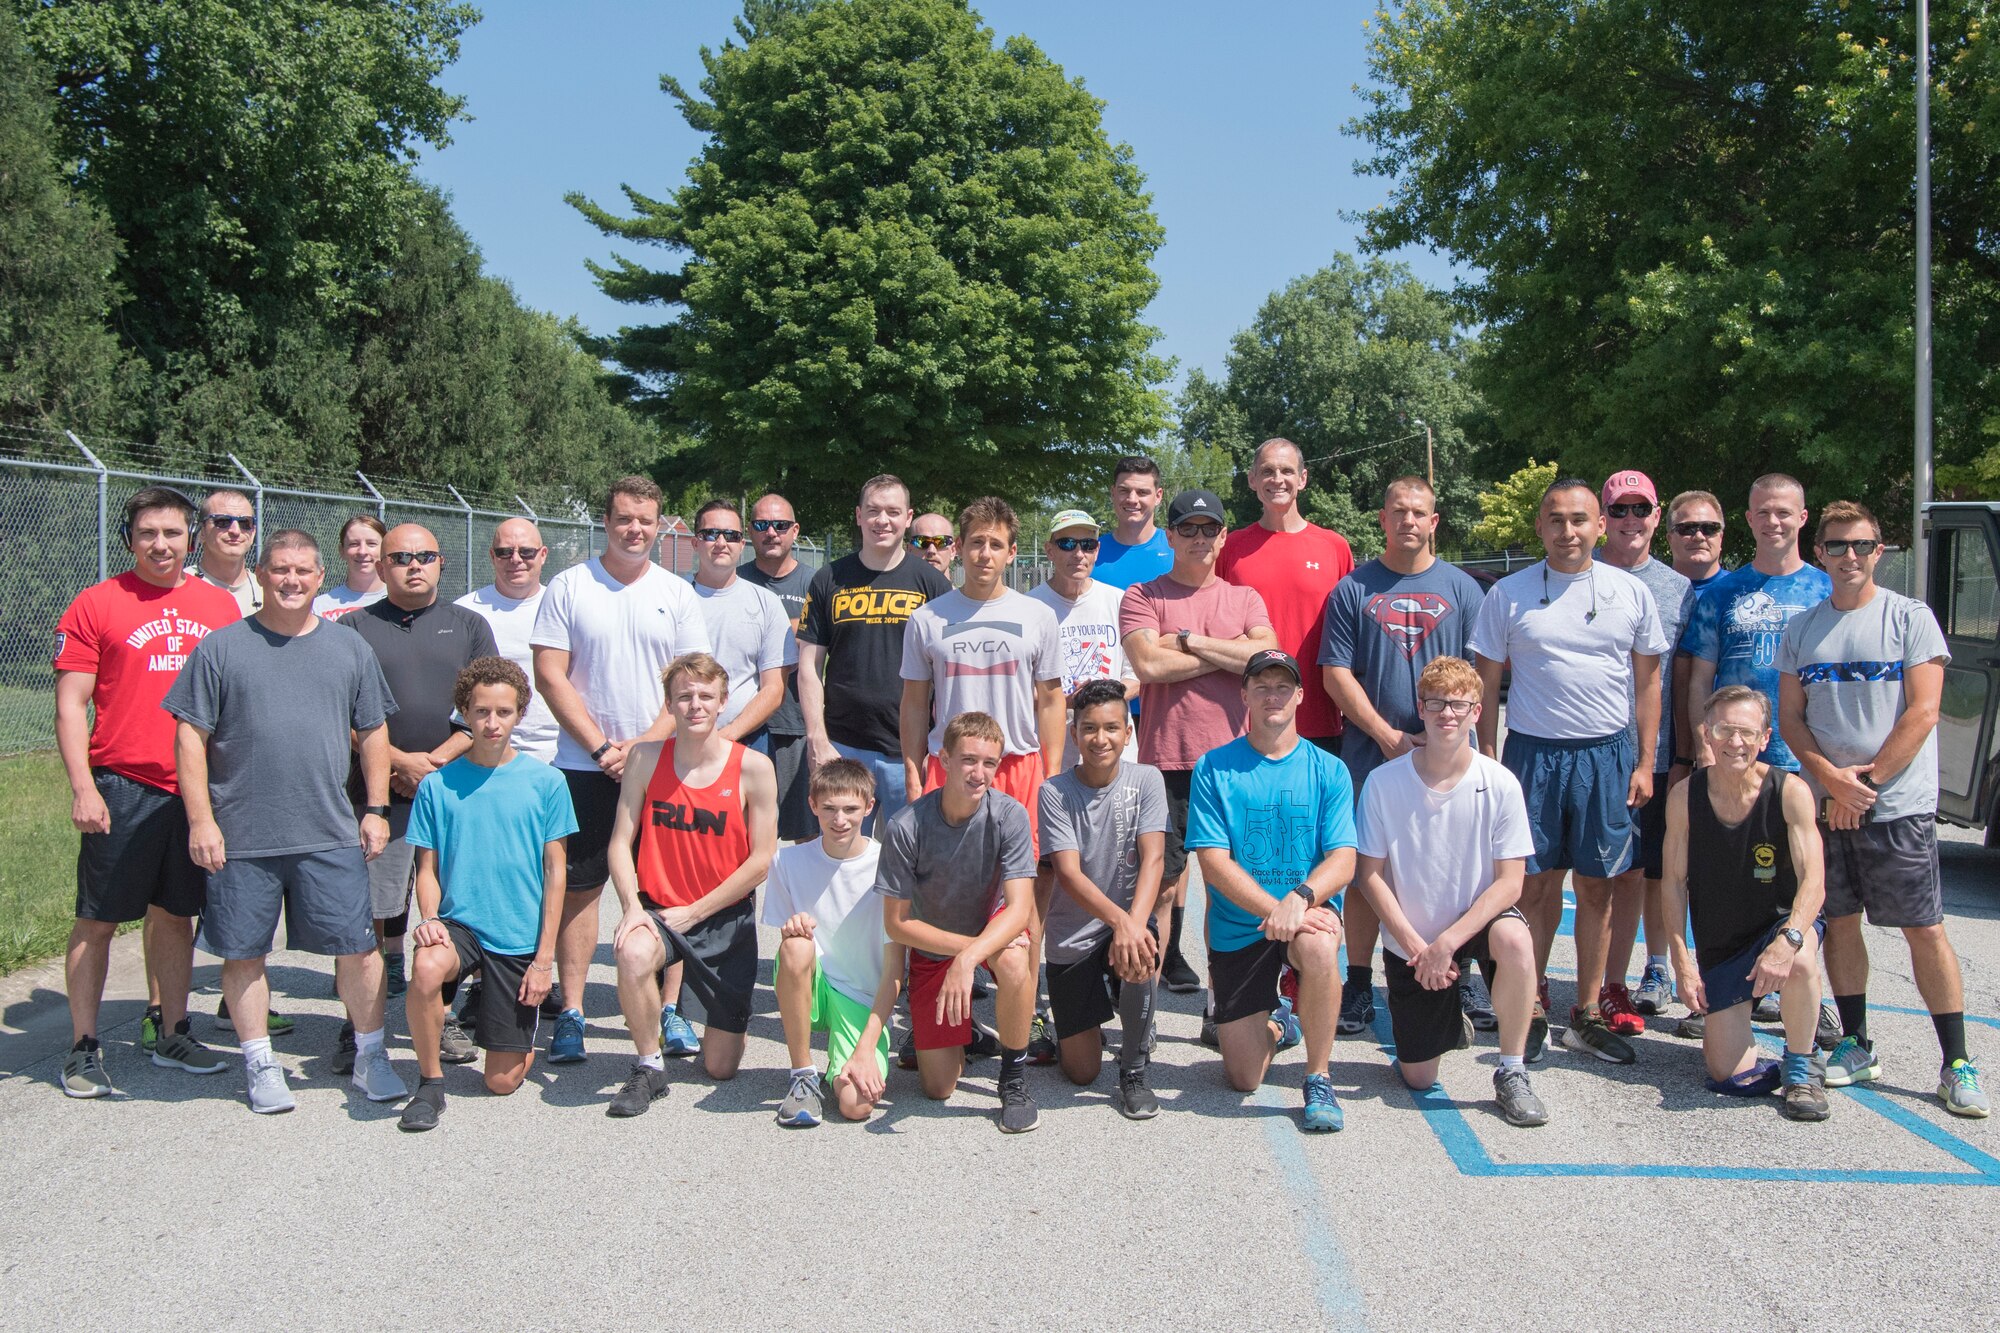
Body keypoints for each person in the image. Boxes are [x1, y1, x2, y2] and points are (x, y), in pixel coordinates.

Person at [163, 529, 407, 1114]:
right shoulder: (221, 649)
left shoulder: (349, 649)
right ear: (262, 575)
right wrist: (201, 821)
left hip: (329, 831)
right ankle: (259, 1062)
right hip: (243, 834)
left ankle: (371, 1055)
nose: (291, 580)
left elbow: (374, 731)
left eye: (302, 571)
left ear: (320, 578)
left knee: (359, 949)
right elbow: (188, 738)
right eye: (279, 570)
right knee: (244, 952)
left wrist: (375, 809)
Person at [1777, 501, 1987, 1117]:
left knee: (1924, 929)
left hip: (1897, 808)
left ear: (1880, 551)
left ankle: (1956, 1063)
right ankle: (1856, 1042)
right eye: (1837, 546)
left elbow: (1923, 711)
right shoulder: (1803, 629)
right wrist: (1828, 782)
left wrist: (1862, 786)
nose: (1850, 557)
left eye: (1862, 546)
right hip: (1828, 802)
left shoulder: (1910, 619)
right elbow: (1791, 717)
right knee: (1839, 924)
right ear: (1819, 552)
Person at [1469, 478, 1667, 1066]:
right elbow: (1485, 681)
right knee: (1533, 885)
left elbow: (1649, 681)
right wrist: (1487, 760)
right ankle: (1528, 1005)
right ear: (1539, 526)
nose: (1568, 531)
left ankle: (1585, 1011)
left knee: (1599, 886)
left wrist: (1645, 761)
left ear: (1600, 525)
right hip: (1532, 754)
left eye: (1579, 519)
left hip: (1607, 755)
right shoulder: (1508, 593)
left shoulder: (1630, 592)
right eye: (1555, 519)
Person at [54, 487, 240, 1097]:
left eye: (172, 532)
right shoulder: (97, 604)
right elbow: (71, 704)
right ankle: (83, 1046)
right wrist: (84, 787)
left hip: (194, 792)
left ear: (193, 538)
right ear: (130, 539)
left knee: (175, 915)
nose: (161, 544)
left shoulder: (218, 608)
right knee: (99, 919)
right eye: (147, 533)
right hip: (123, 784)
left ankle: (174, 1030)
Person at [531, 476, 711, 1065]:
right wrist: (603, 748)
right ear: (606, 522)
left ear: (660, 525)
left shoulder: (677, 593)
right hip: (582, 768)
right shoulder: (569, 585)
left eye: (647, 519)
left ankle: (670, 1011)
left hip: (662, 763)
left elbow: (691, 682)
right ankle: (575, 1012)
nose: (636, 529)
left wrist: (641, 747)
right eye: (625, 518)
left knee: (665, 891)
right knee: (580, 888)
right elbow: (550, 674)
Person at [1320, 476, 1487, 1039]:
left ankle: (1460, 975)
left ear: (1435, 521)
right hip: (1374, 753)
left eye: (1419, 512)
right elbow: (1335, 672)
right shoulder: (1353, 589)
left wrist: (1462, 735)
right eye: (1399, 511)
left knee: (1458, 862)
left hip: (1451, 751)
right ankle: (1361, 982)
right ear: (1382, 519)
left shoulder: (1464, 590)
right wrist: (1388, 734)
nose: (1409, 520)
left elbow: (1479, 674)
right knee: (1370, 866)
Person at [1353, 656, 1548, 1127]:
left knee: (1516, 940)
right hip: (1414, 939)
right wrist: (1420, 946)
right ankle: (1448, 1023)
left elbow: (1510, 883)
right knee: (1418, 1077)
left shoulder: (1499, 783)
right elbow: (1369, 876)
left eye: (1459, 705)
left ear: (1477, 713)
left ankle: (1512, 1069)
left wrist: (1448, 944)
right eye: (1436, 703)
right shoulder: (1383, 782)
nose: (1447, 714)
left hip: (1474, 925)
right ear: (1420, 708)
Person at [336, 523, 497, 1070]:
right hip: (379, 795)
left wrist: (434, 762)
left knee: (450, 909)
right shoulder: (353, 628)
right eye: (400, 557)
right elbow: (344, 711)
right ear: (380, 566)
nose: (413, 565)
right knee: (376, 912)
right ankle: (363, 1024)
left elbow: (489, 704)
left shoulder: (469, 626)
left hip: (454, 788)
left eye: (424, 556)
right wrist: (398, 763)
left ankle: (444, 1017)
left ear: (440, 562)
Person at [1684, 473, 1837, 1039]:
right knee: (1725, 886)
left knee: (1808, 886)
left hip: (1800, 764)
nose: (1773, 521)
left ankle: (1808, 999)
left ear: (1802, 518)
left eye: (1784, 512)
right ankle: (1721, 990)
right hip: (1731, 761)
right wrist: (1703, 753)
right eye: (1761, 512)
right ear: (1747, 520)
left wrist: (1825, 768)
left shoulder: (1827, 590)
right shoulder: (1722, 592)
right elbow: (1700, 679)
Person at [397, 658, 577, 1131]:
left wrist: (543, 962)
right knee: (426, 963)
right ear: (464, 713)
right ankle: (430, 1083)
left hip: (518, 936)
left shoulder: (548, 783)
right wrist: (430, 917)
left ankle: (514, 1037)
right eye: (480, 712)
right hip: (461, 926)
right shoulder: (436, 785)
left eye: (503, 711)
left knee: (500, 1081)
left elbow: (556, 874)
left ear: (520, 713)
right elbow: (427, 869)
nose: (492, 723)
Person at [602, 653, 778, 1117]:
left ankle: (706, 1034)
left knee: (720, 1067)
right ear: (670, 704)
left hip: (725, 918)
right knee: (633, 951)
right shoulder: (643, 758)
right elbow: (620, 843)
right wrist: (632, 908)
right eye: (684, 696)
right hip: (660, 910)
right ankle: (649, 1063)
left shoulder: (753, 767)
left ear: (723, 702)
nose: (695, 705)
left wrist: (697, 911)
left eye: (705, 696)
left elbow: (761, 861)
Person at [1185, 651, 1353, 1132]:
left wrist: (1299, 901)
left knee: (1320, 946)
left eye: (1283, 687)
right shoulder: (1215, 768)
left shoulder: (1328, 769)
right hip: (1241, 925)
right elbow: (1214, 865)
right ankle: (1282, 1022)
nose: (1272, 696)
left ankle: (1319, 1076)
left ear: (1301, 696)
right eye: (1261, 686)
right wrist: (1277, 910)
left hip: (1306, 914)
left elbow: (1343, 859)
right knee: (1243, 1078)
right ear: (1244, 696)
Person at [1119, 488, 1276, 999]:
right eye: (1188, 528)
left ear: (1224, 536)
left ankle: (1221, 1003)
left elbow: (1268, 654)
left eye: (1210, 529)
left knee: (1233, 890)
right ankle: (1145, 1007)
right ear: (1170, 536)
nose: (1200, 538)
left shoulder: (1244, 597)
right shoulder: (1143, 596)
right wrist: (1234, 652)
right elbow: (1148, 666)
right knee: (1161, 886)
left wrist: (1185, 640)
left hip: (1238, 763)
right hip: (1167, 763)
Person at [1662, 686, 1831, 1121]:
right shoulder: (1685, 796)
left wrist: (1790, 939)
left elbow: (1814, 881)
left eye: (1746, 732)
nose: (1734, 742)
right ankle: (1779, 1017)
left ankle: (1801, 1066)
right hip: (1724, 943)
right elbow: (1673, 882)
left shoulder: (1790, 791)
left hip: (1780, 925)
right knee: (1728, 1074)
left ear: (1764, 737)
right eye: (1724, 730)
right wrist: (1681, 961)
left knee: (1800, 961)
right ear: (1707, 734)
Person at [876, 711, 1041, 1132]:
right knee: (938, 1087)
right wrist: (963, 953)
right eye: (968, 760)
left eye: (989, 763)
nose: (979, 772)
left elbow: (1020, 909)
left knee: (1013, 960)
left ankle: (1014, 1077)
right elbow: (897, 924)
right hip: (935, 949)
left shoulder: (1010, 816)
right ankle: (969, 1028)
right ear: (944, 760)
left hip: (989, 935)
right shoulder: (906, 825)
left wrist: (970, 959)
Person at [1593, 471, 1694, 1040]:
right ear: (1605, 516)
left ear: (1658, 516)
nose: (1632, 519)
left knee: (1642, 872)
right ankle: (1544, 982)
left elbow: (1680, 679)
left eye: (1642, 509)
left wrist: (1675, 753)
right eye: (1621, 509)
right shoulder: (1577, 574)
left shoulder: (1679, 588)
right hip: (1582, 754)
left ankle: (1629, 977)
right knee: (1573, 875)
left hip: (1650, 760)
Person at [1038, 679, 1168, 1118]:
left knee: (1140, 952)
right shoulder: (1054, 792)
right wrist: (1121, 921)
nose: (1100, 739)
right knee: (1080, 1072)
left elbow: (1153, 860)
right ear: (1074, 734)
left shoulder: (1147, 779)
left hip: (1127, 921)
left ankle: (1133, 1069)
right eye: (1089, 728)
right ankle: (1080, 1027)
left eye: (1111, 728)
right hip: (1074, 931)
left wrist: (1133, 924)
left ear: (1128, 732)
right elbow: (1069, 875)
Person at [797, 475, 952, 831]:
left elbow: (951, 668)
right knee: (839, 859)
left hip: (911, 753)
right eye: (873, 511)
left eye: (893, 512)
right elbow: (809, 664)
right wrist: (817, 739)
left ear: (908, 517)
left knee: (912, 865)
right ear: (858, 516)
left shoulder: (931, 584)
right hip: (843, 747)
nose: (883, 520)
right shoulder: (829, 579)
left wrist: (939, 744)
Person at [766, 758, 903, 1126]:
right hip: (817, 985)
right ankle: (802, 1075)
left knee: (856, 1105)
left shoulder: (887, 863)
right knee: (796, 945)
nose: (839, 819)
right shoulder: (787, 861)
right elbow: (786, 953)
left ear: (869, 807)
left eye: (850, 809)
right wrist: (792, 929)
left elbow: (893, 969)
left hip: (863, 995)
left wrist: (863, 1051)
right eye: (828, 808)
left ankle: (844, 1060)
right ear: (812, 805)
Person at [1216, 438, 1354, 751]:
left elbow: (1350, 637)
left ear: (1302, 479)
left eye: (1287, 471)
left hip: (1318, 718)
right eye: (1267, 471)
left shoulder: (1334, 547)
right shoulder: (1231, 548)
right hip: (1244, 721)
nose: (1277, 479)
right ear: (1252, 480)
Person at [1655, 488, 1729, 1029]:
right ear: (1670, 533)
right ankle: (1659, 967)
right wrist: (1684, 751)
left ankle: (1732, 975)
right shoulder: (1661, 589)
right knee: (1662, 868)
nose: (1697, 536)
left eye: (1708, 527)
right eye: (1686, 528)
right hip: (1678, 754)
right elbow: (1678, 682)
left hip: (1747, 758)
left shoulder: (1740, 589)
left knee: (1731, 878)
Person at [1027, 508, 1140, 770]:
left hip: (1114, 751)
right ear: (1049, 550)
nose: (1078, 554)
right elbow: (1017, 688)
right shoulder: (1029, 606)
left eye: (1087, 545)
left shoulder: (1119, 600)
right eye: (1067, 544)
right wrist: (1063, 701)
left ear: (1097, 551)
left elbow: (1137, 676)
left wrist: (1101, 697)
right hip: (1054, 754)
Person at [739, 492, 817, 841]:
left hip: (796, 725)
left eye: (781, 525)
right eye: (762, 525)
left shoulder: (817, 583)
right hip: (741, 726)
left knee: (805, 834)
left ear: (795, 530)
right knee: (743, 835)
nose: (772, 532)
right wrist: (791, 628)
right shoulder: (732, 580)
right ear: (749, 532)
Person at [687, 499, 793, 754]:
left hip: (745, 741)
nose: (721, 543)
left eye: (731, 535)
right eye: (711, 534)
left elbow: (774, 688)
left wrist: (725, 737)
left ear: (741, 544)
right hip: (679, 741)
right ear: (695, 542)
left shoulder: (766, 603)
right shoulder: (673, 598)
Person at [456, 518, 561, 763]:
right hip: (485, 751)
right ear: (492, 556)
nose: (516, 559)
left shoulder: (563, 606)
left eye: (526, 552)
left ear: (543, 554)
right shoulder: (465, 612)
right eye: (505, 552)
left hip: (556, 751)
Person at [1094, 456, 1174, 591]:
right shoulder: (1090, 553)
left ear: (1158, 496)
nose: (1132, 499)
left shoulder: (1178, 551)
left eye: (1142, 492)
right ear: (1113, 493)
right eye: (1124, 491)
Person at [193, 489, 262, 615]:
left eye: (245, 523)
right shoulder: (177, 586)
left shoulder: (268, 590)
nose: (235, 531)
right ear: (202, 531)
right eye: (223, 521)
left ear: (253, 533)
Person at [312, 515, 387, 622]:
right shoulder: (319, 608)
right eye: (354, 544)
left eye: (371, 544)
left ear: (385, 548)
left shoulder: (402, 601)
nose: (362, 551)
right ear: (341, 551)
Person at [909, 512, 957, 581]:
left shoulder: (971, 592)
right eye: (923, 542)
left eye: (941, 542)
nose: (931, 550)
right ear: (909, 550)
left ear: (953, 551)